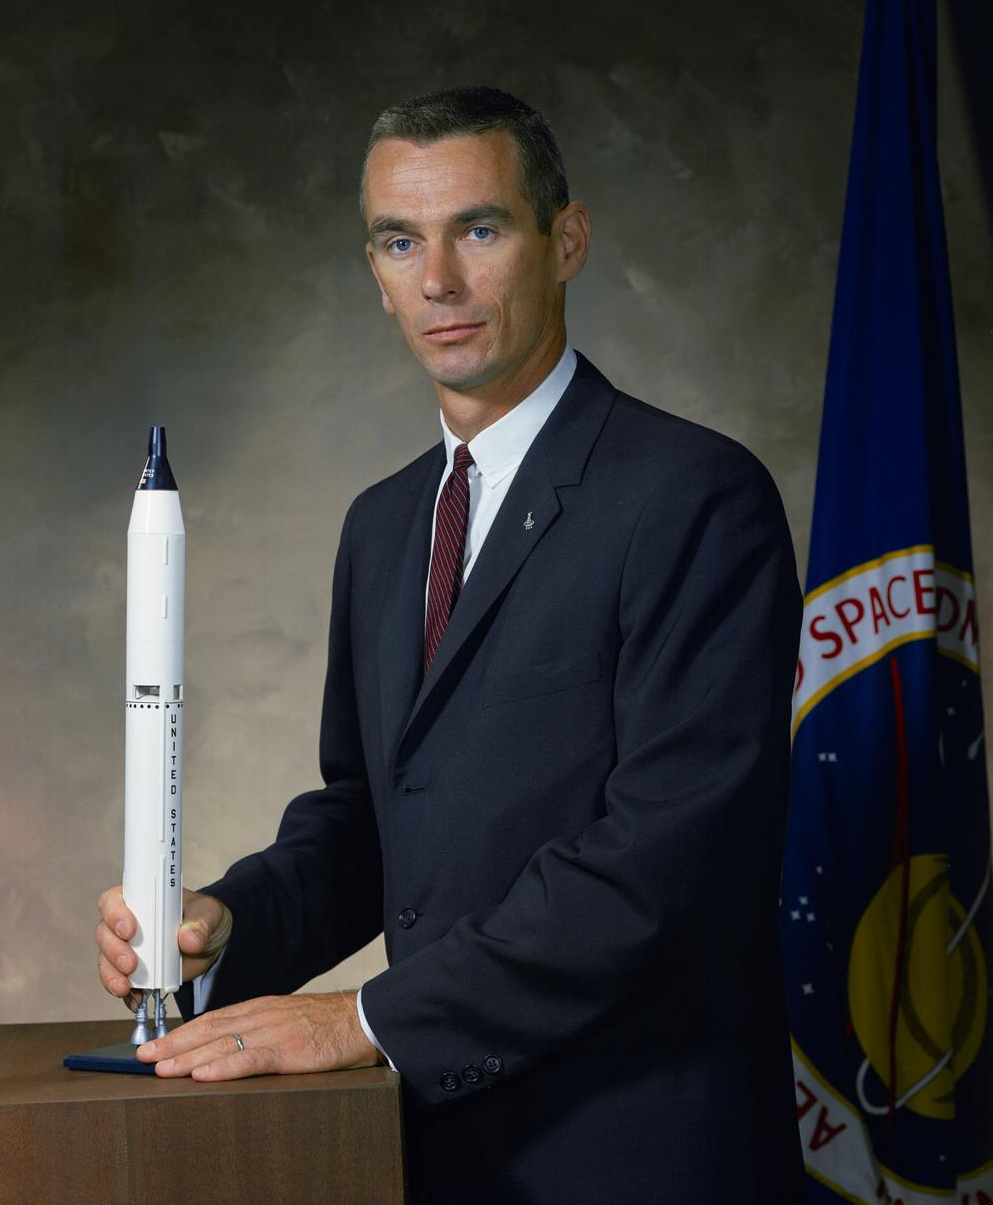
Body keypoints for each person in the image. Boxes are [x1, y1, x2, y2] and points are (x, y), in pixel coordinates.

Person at [96, 86, 806, 1204]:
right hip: (426, 1154)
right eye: (399, 239)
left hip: (637, 1157)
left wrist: (368, 1016)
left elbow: (664, 865)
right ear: (374, 272)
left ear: (565, 240)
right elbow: (377, 819)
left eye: (478, 228)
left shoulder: (694, 498)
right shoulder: (385, 525)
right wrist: (227, 929)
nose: (439, 279)